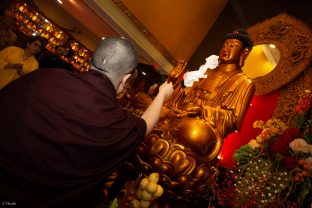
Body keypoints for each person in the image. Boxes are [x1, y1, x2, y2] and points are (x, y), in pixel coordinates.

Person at [0, 36, 173, 207]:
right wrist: (162, 94)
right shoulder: (115, 122)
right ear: (126, 79)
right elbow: (144, 126)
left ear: (92, 60)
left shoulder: (41, 76)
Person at [131, 29, 255, 200]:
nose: (226, 48)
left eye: (232, 45)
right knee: (141, 99)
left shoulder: (244, 83)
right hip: (179, 115)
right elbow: (180, 98)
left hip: (198, 128)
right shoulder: (207, 71)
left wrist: (202, 110)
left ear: (244, 53)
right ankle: (162, 127)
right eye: (225, 44)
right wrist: (174, 81)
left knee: (195, 131)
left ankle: (160, 131)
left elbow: (232, 120)